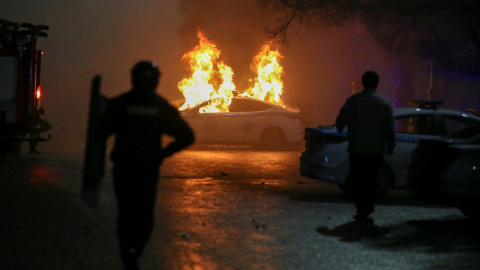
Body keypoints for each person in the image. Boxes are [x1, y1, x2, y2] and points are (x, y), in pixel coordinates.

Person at [99, 61, 195, 270]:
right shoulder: (160, 107)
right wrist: (162, 154)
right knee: (144, 217)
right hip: (146, 171)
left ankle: (129, 255)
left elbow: (100, 132)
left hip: (123, 169)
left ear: (132, 78)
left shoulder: (121, 104)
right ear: (155, 81)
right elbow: (187, 136)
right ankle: (134, 252)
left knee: (125, 215)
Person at [335, 71, 395, 221]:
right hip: (375, 150)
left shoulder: (353, 101)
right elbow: (389, 127)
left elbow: (340, 121)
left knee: (358, 179)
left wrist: (342, 126)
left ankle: (361, 207)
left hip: (357, 149)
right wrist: (391, 144)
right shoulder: (384, 103)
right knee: (371, 179)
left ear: (362, 83)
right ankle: (368, 206)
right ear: (377, 83)